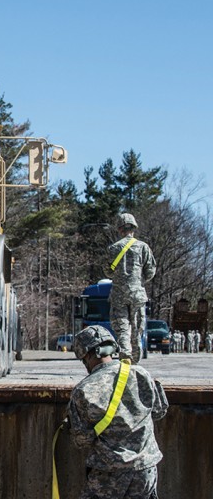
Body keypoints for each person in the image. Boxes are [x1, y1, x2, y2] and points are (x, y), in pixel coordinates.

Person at [66, 325, 168, 499]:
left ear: (86, 356)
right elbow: (159, 411)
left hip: (108, 474)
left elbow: (81, 440)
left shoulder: (84, 390)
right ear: (112, 349)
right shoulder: (142, 374)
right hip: (145, 469)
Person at [104, 213, 156, 363]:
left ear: (119, 229)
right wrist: (138, 282)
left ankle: (125, 351)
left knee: (121, 324)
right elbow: (151, 270)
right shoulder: (143, 247)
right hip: (137, 293)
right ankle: (136, 354)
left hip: (119, 293)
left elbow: (107, 271)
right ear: (134, 228)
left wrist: (121, 278)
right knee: (136, 325)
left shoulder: (113, 248)